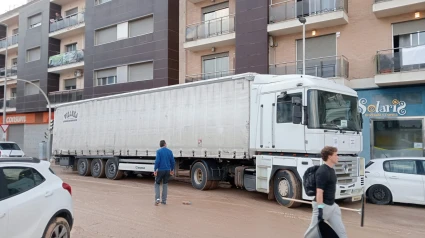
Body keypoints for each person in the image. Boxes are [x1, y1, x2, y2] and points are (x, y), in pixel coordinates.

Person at [304, 146, 347, 238]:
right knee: (311, 233)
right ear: (330, 156)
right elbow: (319, 192)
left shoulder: (331, 170)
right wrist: (320, 210)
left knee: (342, 233)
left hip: (332, 206)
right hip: (323, 206)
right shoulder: (323, 171)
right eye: (336, 155)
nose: (338, 157)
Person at [154, 140, 175, 206]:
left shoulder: (159, 151)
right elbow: (173, 162)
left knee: (157, 183)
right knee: (165, 185)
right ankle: (164, 201)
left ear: (160, 145)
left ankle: (157, 199)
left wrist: (155, 169)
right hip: (167, 170)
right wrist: (172, 169)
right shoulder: (170, 151)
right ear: (165, 144)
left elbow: (157, 161)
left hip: (160, 170)